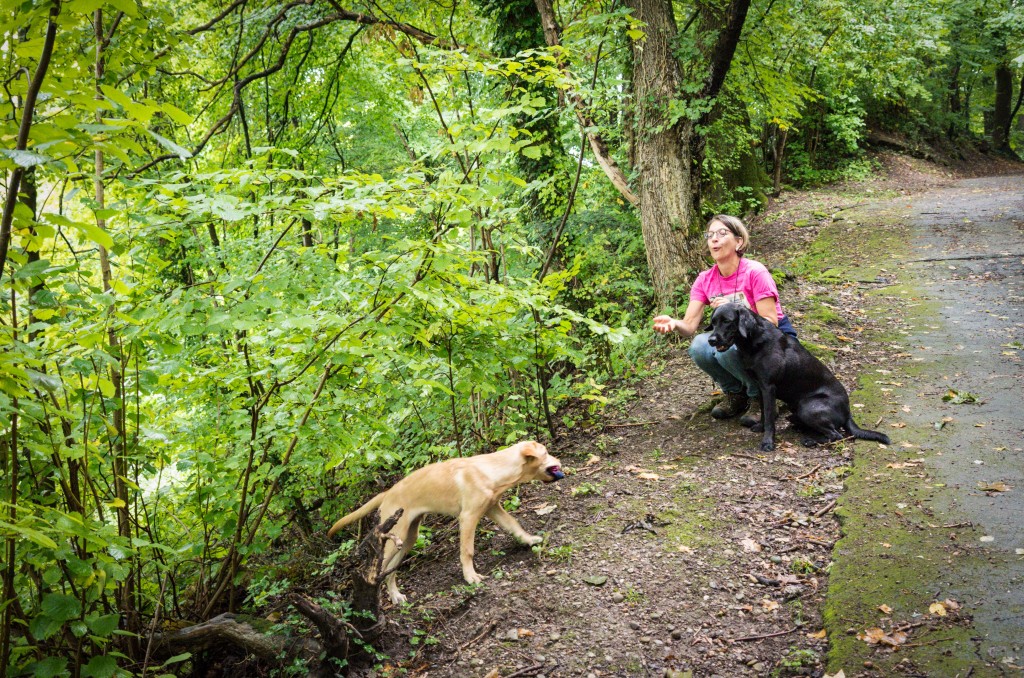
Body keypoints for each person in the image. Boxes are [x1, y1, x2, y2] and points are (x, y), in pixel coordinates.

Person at [653, 214, 797, 422]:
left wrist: (736, 308)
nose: (714, 239)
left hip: (772, 341)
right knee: (699, 346)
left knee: (725, 349)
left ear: (739, 241)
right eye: (710, 235)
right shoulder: (705, 279)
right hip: (734, 338)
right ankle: (735, 394)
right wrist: (674, 323)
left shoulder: (755, 272)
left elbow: (771, 322)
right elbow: (690, 326)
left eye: (722, 233)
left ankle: (761, 399)